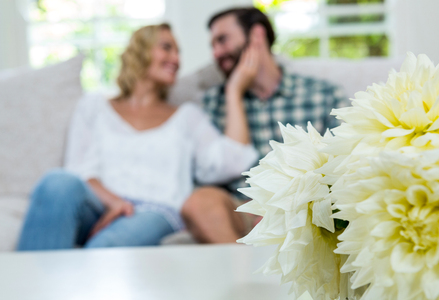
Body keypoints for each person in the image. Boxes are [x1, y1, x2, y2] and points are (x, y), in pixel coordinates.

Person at [17, 23, 258, 250]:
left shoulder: (187, 117)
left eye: (178, 52)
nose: (176, 59)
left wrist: (234, 91)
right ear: (140, 51)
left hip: (155, 211)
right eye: (166, 48)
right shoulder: (93, 107)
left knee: (106, 250)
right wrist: (115, 202)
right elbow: (80, 171)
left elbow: (230, 161)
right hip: (99, 206)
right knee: (56, 183)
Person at [181, 7, 349, 243]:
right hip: (241, 210)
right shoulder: (212, 103)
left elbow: (343, 163)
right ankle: (241, 272)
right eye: (213, 46)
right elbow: (206, 175)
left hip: (304, 205)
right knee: (198, 203)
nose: (216, 52)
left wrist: (287, 204)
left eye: (222, 40)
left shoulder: (323, 94)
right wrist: (234, 92)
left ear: (257, 36)